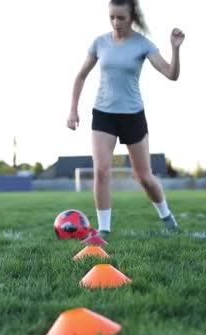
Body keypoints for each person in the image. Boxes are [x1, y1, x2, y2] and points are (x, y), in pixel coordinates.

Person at [66, 0, 185, 243]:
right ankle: (104, 230)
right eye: (112, 17)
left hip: (132, 115)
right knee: (101, 170)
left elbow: (171, 74)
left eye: (121, 18)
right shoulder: (100, 43)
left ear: (132, 17)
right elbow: (80, 76)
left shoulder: (143, 44)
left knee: (144, 177)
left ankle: (167, 217)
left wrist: (175, 48)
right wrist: (73, 110)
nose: (116, 23)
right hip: (103, 114)